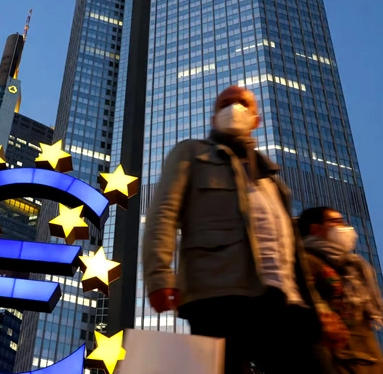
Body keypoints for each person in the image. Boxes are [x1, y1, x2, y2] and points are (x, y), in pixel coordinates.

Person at [142, 85, 343, 374]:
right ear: (213, 118)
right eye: (225, 103)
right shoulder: (191, 153)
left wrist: (319, 308)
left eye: (242, 103)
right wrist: (159, 275)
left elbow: (294, 254)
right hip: (219, 298)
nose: (233, 108)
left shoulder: (272, 179)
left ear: (256, 119)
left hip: (287, 302)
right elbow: (163, 212)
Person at [299, 206, 383, 374]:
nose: (345, 228)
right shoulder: (308, 261)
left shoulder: (353, 266)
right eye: (336, 221)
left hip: (370, 361)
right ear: (315, 229)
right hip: (339, 363)